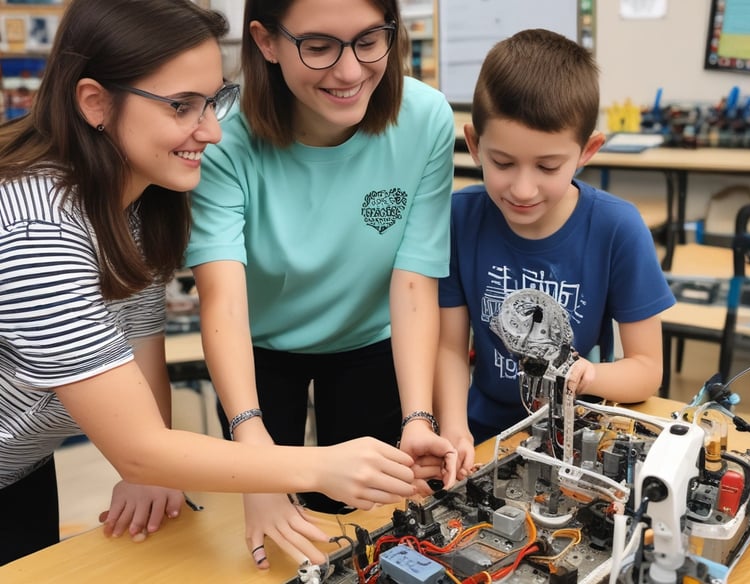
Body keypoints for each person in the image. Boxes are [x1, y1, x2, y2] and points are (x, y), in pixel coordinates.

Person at [0, 0, 418, 568]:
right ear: (95, 102)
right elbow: (142, 448)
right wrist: (319, 466)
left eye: (214, 100)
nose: (213, 131)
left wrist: (149, 470)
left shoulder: (138, 200)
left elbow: (142, 341)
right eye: (181, 106)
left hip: (23, 462)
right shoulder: (36, 231)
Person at [185, 0, 458, 569]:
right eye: (318, 46)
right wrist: (253, 456)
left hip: (370, 342)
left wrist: (417, 418)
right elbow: (224, 301)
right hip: (257, 349)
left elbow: (413, 285)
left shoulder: (426, 119)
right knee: (271, 532)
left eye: (368, 40)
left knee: (363, 524)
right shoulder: (220, 136)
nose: (351, 71)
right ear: (265, 42)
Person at [435, 29, 676, 478]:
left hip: (575, 435)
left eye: (548, 167)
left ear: (588, 151)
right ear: (473, 144)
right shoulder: (459, 218)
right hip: (482, 433)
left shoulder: (616, 228)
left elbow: (646, 370)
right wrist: (453, 428)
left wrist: (590, 377)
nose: (522, 189)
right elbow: (449, 347)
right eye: (502, 163)